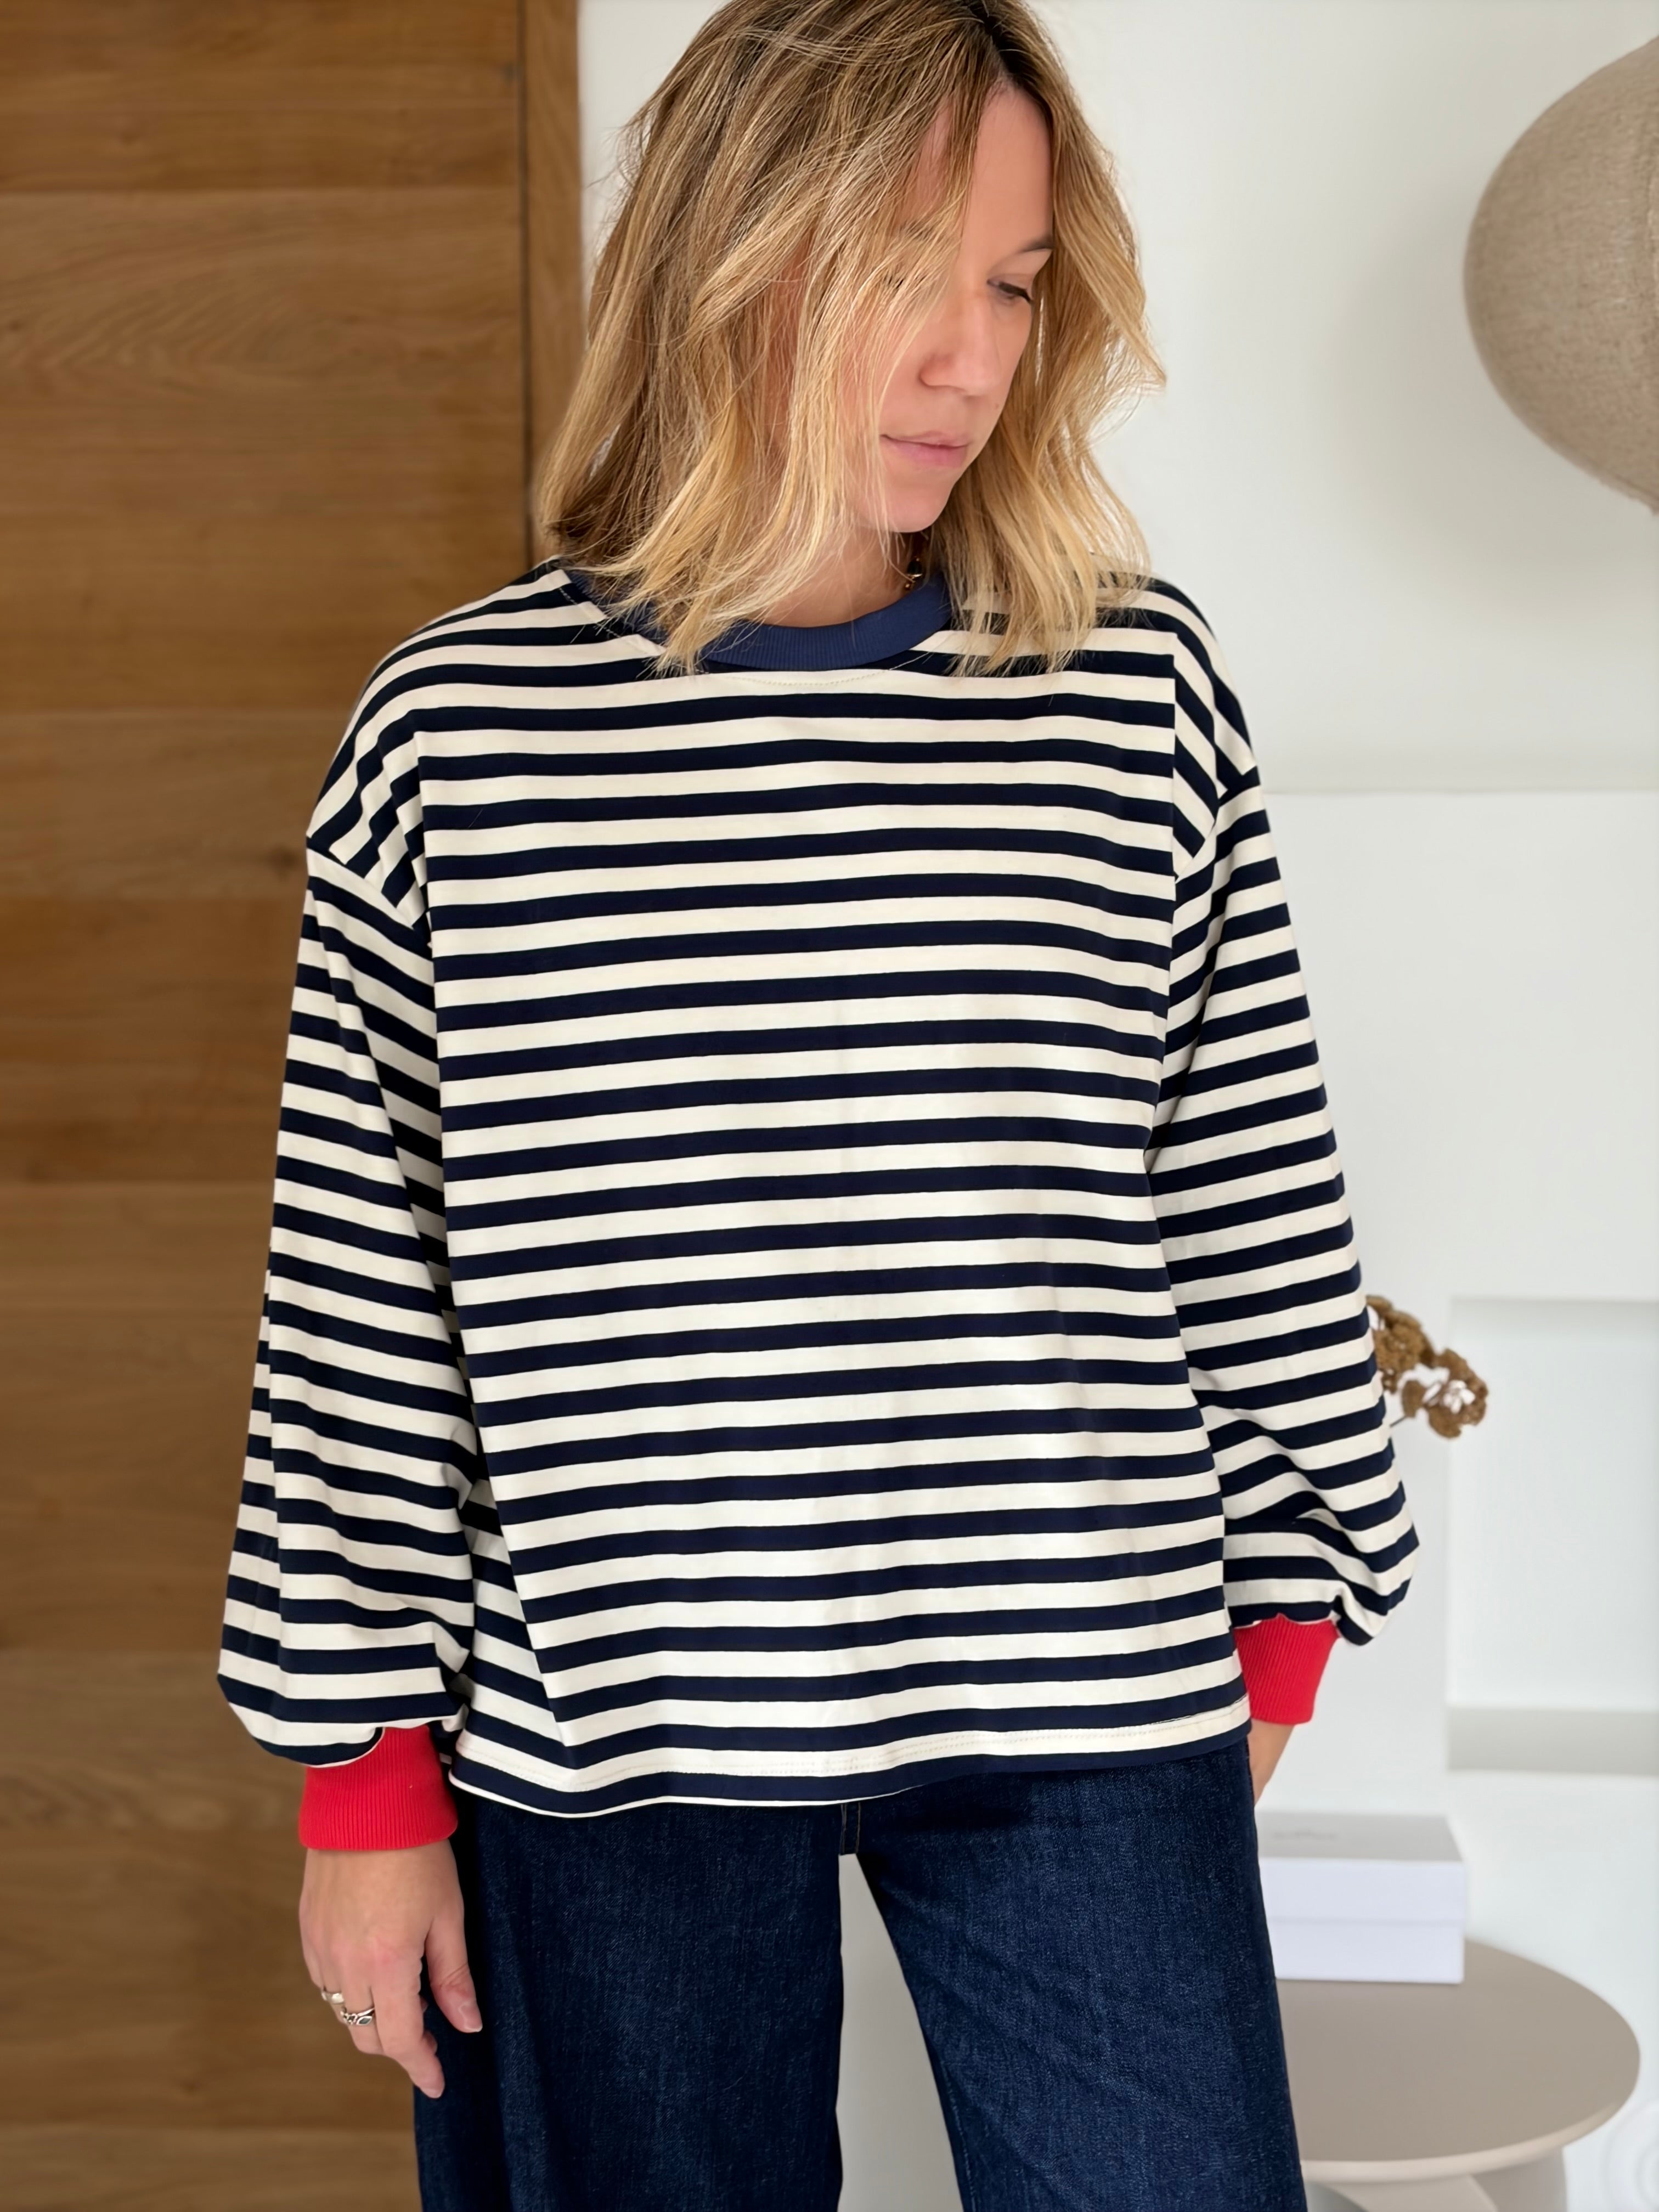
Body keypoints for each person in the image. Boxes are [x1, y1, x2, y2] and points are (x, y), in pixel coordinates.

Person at [217, 2, 1419, 2205]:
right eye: (900, 277)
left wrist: (1285, 1610)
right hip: (613, 1719)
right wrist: (364, 1782)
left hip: (1087, 1683)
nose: (973, 361)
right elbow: (362, 1309)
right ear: (728, 260)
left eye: (1016, 286)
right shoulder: (458, 738)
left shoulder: (1128, 691)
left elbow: (1249, 1193)